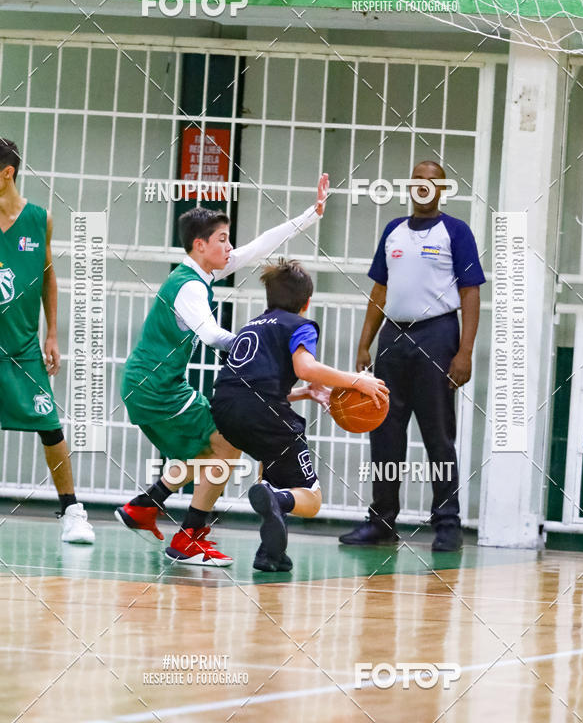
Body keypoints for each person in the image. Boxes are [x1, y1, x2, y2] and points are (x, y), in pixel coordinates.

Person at [115, 174, 329, 566]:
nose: (230, 248)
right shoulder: (189, 287)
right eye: (222, 240)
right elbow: (213, 335)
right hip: (155, 386)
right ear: (200, 245)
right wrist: (263, 345)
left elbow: (260, 247)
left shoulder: (200, 275)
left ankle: (149, 508)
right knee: (226, 445)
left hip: (158, 384)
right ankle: (183, 534)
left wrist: (309, 216)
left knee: (213, 449)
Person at [339, 160, 485, 552]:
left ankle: (448, 523)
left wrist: (464, 352)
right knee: (384, 431)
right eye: (416, 179)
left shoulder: (456, 231)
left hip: (437, 335)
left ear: (442, 188)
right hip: (393, 337)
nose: (422, 185)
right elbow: (379, 290)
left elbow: (471, 293)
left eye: (431, 180)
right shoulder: (393, 231)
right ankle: (382, 521)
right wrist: (364, 343)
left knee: (438, 434)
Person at [211, 258, 389, 572]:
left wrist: (304, 393)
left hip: (224, 409)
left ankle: (270, 554)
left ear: (269, 299)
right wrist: (356, 379)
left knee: (274, 469)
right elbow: (304, 368)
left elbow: (250, 386)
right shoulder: (300, 325)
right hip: (261, 411)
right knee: (310, 495)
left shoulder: (252, 325)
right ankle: (277, 501)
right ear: (306, 303)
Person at [0, 139, 95, 543]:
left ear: (7, 173)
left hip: (22, 346)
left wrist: (52, 333)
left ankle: (72, 509)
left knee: (50, 427)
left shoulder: (41, 219)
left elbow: (48, 274)